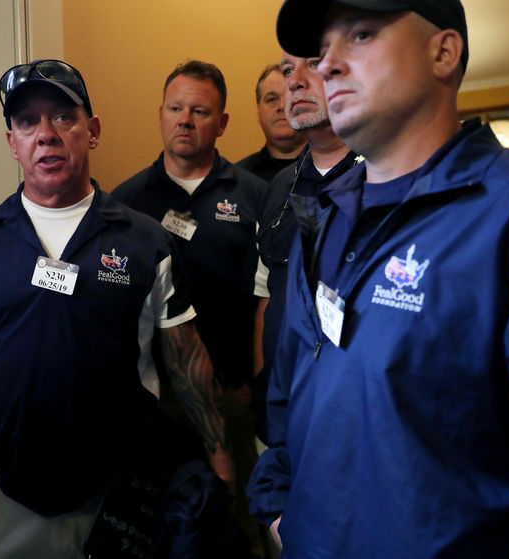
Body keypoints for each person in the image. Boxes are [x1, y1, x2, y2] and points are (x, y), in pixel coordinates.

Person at [248, 1, 509, 558]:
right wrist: (281, 509)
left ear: (444, 52)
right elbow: (297, 389)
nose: (326, 66)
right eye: (324, 50)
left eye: (362, 35)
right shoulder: (323, 219)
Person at [0, 59, 234, 558]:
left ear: (92, 130)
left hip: (121, 496)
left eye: (63, 116)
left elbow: (187, 360)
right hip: (5, 497)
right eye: (27, 122)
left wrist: (221, 464)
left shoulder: (145, 241)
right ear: (12, 141)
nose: (46, 135)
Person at [111, 60, 268, 558]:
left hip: (233, 400)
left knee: (237, 527)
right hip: (155, 407)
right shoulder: (126, 202)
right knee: (157, 532)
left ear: (221, 123)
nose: (185, 120)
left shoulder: (255, 196)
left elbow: (269, 299)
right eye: (176, 109)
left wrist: (253, 387)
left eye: (200, 111)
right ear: (160, 115)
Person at [252, 51, 358, 446]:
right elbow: (267, 296)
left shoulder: (384, 176)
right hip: (279, 423)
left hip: (351, 427)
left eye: (312, 63)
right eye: (285, 70)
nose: (293, 81)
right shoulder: (280, 185)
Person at [236, 64, 306, 182]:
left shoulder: (338, 176)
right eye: (272, 99)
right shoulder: (237, 179)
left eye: (291, 98)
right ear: (258, 113)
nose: (282, 106)